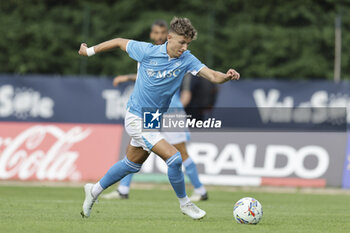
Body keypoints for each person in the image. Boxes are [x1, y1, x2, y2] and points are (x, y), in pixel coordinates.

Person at [78, 16, 240, 220]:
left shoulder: (187, 59)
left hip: (153, 118)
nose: (184, 47)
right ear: (169, 37)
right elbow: (119, 41)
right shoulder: (147, 51)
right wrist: (89, 51)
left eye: (187, 44)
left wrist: (226, 76)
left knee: (131, 164)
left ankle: (93, 191)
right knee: (174, 158)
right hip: (136, 116)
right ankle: (185, 204)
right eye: (181, 42)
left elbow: (213, 76)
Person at [101, 19, 208, 202]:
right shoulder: (150, 53)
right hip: (151, 112)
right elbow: (150, 75)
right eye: (155, 33)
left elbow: (184, 85)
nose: (158, 37)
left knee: (180, 152)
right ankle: (123, 189)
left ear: (169, 35)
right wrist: (128, 77)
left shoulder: (183, 57)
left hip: (171, 111)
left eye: (161, 33)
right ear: (152, 35)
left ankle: (200, 190)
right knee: (136, 147)